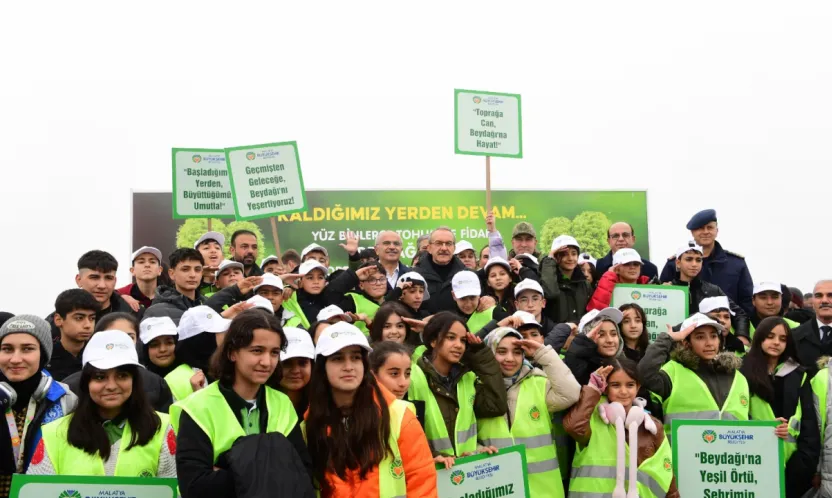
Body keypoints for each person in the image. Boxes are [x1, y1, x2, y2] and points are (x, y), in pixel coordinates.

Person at [172, 309, 313, 498]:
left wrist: (228, 467)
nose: (267, 362)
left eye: (274, 353)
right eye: (257, 351)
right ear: (232, 353)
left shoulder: (281, 403)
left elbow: (302, 472)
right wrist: (275, 466)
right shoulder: (198, 407)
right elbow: (195, 487)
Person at [306, 322, 437, 497]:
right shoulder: (310, 424)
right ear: (322, 366)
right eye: (337, 358)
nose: (348, 366)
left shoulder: (399, 416)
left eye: (355, 358)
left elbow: (422, 483)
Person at [29, 330, 176, 477]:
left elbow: (174, 488)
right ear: (86, 382)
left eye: (122, 375)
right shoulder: (55, 433)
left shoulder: (161, 428)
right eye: (100, 377)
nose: (111, 385)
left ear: (134, 381)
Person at [478, 328, 580, 498]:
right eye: (501, 352)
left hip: (544, 491)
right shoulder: (476, 387)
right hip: (497, 489)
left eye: (517, 352)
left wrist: (542, 352)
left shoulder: (538, 383)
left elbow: (570, 393)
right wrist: (477, 451)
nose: (510, 359)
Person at [563, 359, 678, 497]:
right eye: (615, 385)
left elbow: (667, 477)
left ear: (638, 387)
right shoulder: (592, 419)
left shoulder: (653, 427)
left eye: (630, 385)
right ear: (606, 388)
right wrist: (593, 389)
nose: (623, 391)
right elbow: (573, 427)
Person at [407, 312, 507, 461]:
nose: (459, 345)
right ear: (433, 341)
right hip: (429, 470)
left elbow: (495, 406)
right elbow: (408, 433)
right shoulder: (412, 377)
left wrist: (480, 353)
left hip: (462, 474)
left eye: (463, 340)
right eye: (451, 337)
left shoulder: (467, 378)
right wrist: (436, 456)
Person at [740, 317, 818, 497]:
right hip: (750, 461)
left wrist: (802, 466)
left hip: (793, 465)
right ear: (759, 338)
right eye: (770, 336)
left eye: (783, 339)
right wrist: (762, 430)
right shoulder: (741, 372)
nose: (776, 343)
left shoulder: (799, 374)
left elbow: (809, 425)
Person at [0, 316, 77, 496]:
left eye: (27, 349)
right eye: (7, 349)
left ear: (43, 354)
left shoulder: (66, 400)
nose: (15, 359)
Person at [639, 313, 749, 434]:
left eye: (713, 336)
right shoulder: (673, 371)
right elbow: (643, 375)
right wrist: (667, 338)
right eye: (700, 337)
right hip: (680, 452)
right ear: (686, 343)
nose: (709, 343)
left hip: (729, 452)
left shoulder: (738, 377)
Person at [63, 313, 174, 414]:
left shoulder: (156, 383)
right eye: (100, 377)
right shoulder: (69, 387)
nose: (111, 386)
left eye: (129, 337)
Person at [659, 209, 754, 316]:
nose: (705, 232)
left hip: (727, 328)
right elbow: (662, 300)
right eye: (700, 228)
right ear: (692, 232)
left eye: (710, 227)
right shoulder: (673, 264)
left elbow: (746, 301)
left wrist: (741, 330)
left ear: (717, 231)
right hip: (685, 327)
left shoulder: (736, 264)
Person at [49, 250, 136, 340]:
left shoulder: (134, 314)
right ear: (79, 280)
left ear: (115, 281)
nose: (102, 285)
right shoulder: (56, 322)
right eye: (94, 277)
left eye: (108, 278)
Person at [666, 242, 749, 336]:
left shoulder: (713, 290)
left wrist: (742, 336)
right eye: (689, 259)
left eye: (698, 260)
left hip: (705, 343)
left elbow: (739, 314)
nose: (694, 264)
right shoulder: (667, 289)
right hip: (674, 343)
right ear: (678, 263)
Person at [413, 227, 467, 313]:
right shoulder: (415, 276)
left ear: (454, 248)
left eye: (448, 244)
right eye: (438, 243)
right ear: (429, 248)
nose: (444, 248)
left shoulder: (466, 275)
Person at [144, 248, 206, 324]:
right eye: (185, 269)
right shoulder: (155, 312)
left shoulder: (209, 306)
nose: (193, 275)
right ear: (172, 274)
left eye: (197, 270)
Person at [564, 308, 624, 385]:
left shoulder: (625, 366)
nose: (610, 340)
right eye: (601, 335)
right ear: (587, 337)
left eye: (613, 334)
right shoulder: (571, 366)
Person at [49, 289, 99, 381]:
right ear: (58, 320)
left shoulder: (99, 355)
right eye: (79, 318)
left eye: (92, 318)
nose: (88, 325)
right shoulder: (45, 358)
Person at [540, 235, 592, 324]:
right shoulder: (548, 279)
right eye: (564, 254)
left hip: (579, 335)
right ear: (555, 258)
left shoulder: (584, 284)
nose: (570, 258)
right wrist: (550, 259)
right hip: (555, 335)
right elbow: (550, 293)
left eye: (574, 253)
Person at [326, 262, 387, 335]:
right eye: (372, 280)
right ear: (361, 285)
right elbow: (330, 295)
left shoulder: (392, 303)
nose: (378, 283)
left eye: (382, 279)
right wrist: (354, 276)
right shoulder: (352, 300)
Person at [587, 248, 652, 311]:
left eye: (636, 264)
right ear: (616, 269)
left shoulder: (650, 289)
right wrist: (609, 276)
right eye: (627, 264)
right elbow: (594, 312)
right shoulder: (607, 287)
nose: (632, 267)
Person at [793, 280, 832, 369]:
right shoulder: (794, 336)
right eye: (819, 296)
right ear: (813, 302)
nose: (824, 300)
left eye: (830, 295)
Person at [278, 327, 314, 418]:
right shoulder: (260, 403)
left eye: (302, 363)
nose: (295, 370)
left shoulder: (324, 402)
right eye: (286, 363)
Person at [282, 260, 329, 329]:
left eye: (320, 277)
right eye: (310, 278)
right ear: (300, 282)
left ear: (325, 282)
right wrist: (280, 279)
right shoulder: (288, 297)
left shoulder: (330, 298)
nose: (316, 282)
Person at [451, 271, 495, 335]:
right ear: (454, 295)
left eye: (472, 297)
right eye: (463, 298)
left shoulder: (494, 311)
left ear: (479, 293)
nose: (468, 304)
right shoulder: (447, 319)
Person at [194, 231, 226, 296]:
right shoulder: (189, 282)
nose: (213, 251)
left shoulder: (230, 278)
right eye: (206, 248)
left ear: (222, 257)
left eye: (217, 248)